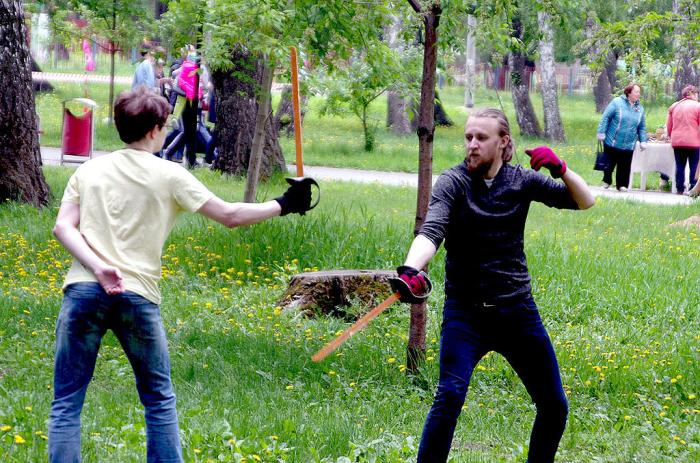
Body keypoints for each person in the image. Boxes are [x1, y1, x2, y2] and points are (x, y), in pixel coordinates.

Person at [48, 87, 315, 463]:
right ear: (156, 129)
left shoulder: (89, 170)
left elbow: (63, 228)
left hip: (82, 292)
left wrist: (96, 266)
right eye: (166, 124)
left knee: (67, 402)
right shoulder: (170, 174)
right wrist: (285, 204)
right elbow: (230, 216)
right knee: (158, 399)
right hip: (137, 295)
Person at [393, 108, 595, 463]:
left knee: (554, 406)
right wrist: (411, 268)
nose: (471, 145)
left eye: (481, 138)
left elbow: (585, 200)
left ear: (503, 144)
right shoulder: (452, 182)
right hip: (465, 315)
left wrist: (561, 169)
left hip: (517, 312)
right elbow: (432, 231)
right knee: (450, 396)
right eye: (468, 137)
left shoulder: (522, 181)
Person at [597, 83, 648, 191]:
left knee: (625, 166)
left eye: (639, 92)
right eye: (636, 92)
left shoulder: (640, 109)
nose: (639, 94)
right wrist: (601, 133)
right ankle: (607, 180)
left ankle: (622, 185)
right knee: (609, 165)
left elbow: (642, 127)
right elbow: (605, 117)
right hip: (612, 141)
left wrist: (643, 140)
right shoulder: (617, 102)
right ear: (629, 92)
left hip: (628, 144)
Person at [666, 85, 700, 195]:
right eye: (697, 94)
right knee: (694, 165)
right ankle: (693, 187)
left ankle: (679, 188)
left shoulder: (675, 106)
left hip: (677, 142)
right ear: (692, 94)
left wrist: (670, 136)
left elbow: (669, 125)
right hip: (694, 142)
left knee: (680, 165)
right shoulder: (698, 106)